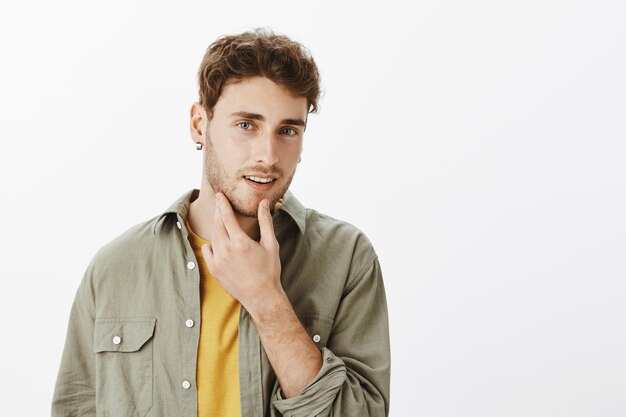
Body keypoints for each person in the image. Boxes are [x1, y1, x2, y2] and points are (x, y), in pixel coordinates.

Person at [52, 28, 390, 417]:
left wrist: (267, 299)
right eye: (247, 125)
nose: (268, 155)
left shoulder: (347, 259)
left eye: (288, 130)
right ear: (200, 124)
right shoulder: (115, 268)